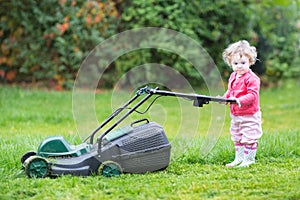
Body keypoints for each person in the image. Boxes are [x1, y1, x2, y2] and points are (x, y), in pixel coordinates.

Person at [222, 40, 263, 168]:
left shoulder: (252, 79)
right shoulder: (233, 76)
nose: (239, 66)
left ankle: (249, 159)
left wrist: (239, 100)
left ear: (250, 61)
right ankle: (238, 158)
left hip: (249, 114)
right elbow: (230, 91)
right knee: (237, 136)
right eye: (235, 63)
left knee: (249, 136)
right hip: (236, 114)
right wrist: (225, 98)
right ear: (230, 63)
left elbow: (253, 95)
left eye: (243, 63)